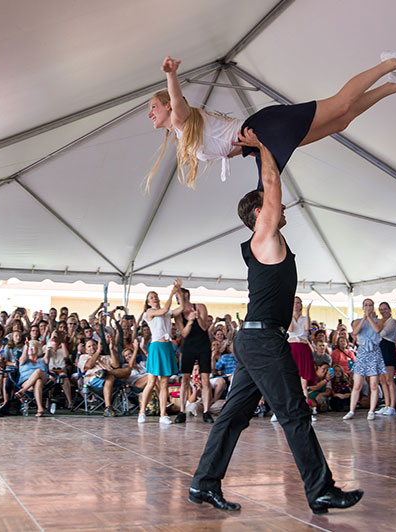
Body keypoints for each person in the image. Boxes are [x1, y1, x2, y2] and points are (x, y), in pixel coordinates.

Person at [188, 131, 362, 514]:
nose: (284, 209)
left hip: (255, 340)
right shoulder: (263, 236)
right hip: (263, 340)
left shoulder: (264, 241)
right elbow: (270, 184)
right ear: (259, 215)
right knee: (294, 413)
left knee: (233, 416)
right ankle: (321, 489)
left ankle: (203, 484)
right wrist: (265, 145)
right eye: (274, 207)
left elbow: (265, 185)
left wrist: (257, 154)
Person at [147, 51, 396, 190]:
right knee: (341, 122)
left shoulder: (182, 120)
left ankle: (389, 62)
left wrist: (171, 75)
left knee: (341, 104)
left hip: (266, 128)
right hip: (260, 141)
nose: (150, 113)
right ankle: (395, 85)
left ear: (169, 107)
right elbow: (229, 146)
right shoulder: (186, 133)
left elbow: (177, 100)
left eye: (154, 107)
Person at [140, 285, 180, 424]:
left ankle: (163, 414)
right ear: (148, 302)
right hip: (156, 346)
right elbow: (165, 309)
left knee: (164, 383)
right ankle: (142, 412)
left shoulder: (166, 313)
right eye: (151, 297)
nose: (154, 298)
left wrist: (179, 293)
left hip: (167, 346)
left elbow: (177, 310)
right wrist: (172, 292)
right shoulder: (149, 312)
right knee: (151, 382)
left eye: (156, 296)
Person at [174, 286, 214, 423]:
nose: (178, 299)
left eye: (179, 296)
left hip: (203, 345)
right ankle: (181, 411)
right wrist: (190, 321)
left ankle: (206, 411)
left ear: (186, 295)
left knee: (205, 379)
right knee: (185, 379)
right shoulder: (178, 314)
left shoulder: (200, 306)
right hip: (188, 347)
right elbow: (184, 333)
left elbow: (204, 327)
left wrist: (197, 317)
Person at [344, 299, 386, 421]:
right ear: (363, 307)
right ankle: (351, 410)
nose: (368, 307)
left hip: (374, 352)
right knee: (357, 384)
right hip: (362, 352)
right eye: (366, 305)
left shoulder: (379, 321)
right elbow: (355, 332)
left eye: (370, 305)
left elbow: (377, 330)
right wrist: (364, 318)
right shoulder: (357, 321)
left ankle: (371, 410)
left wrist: (370, 318)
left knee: (373, 384)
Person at [376, 302, 396, 416]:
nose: (383, 311)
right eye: (381, 309)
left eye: (385, 309)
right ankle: (387, 404)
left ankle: (392, 406)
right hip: (380, 350)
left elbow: (382, 333)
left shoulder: (392, 322)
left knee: (389, 379)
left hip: (387, 349)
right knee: (382, 380)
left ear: (389, 310)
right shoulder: (380, 322)